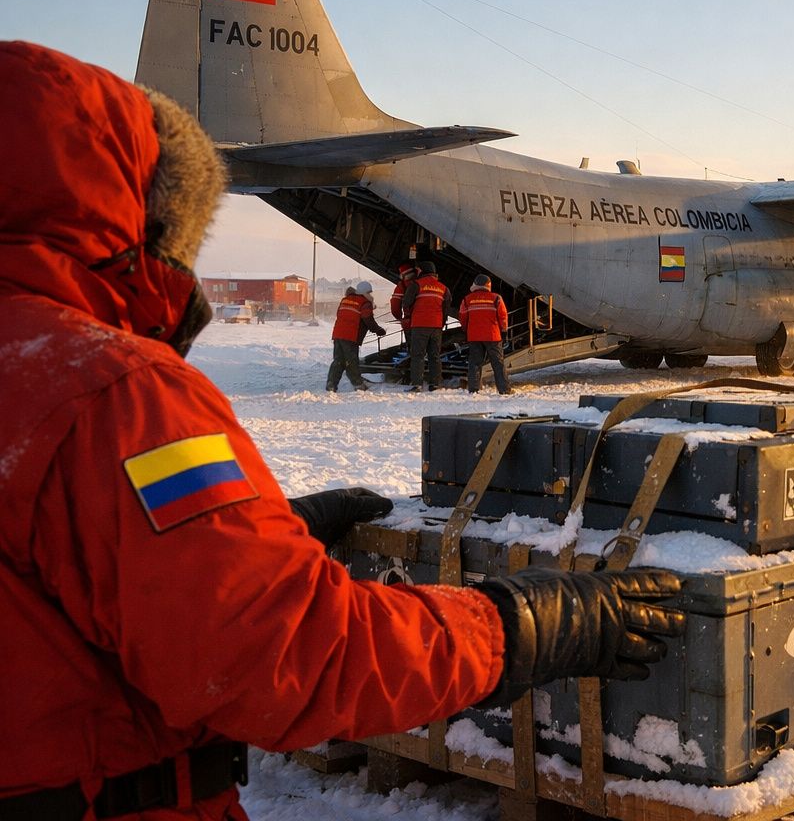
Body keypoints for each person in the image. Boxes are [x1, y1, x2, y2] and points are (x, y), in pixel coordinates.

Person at [0, 42, 684, 820]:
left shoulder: (43, 378)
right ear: (140, 207)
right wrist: (522, 629)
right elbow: (287, 659)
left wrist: (251, 539)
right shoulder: (113, 394)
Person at [326, 281, 386, 392]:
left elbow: (341, 315)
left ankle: (331, 384)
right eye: (369, 292)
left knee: (338, 361)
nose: (370, 295)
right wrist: (379, 330)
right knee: (351, 362)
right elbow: (368, 319)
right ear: (365, 292)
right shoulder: (364, 303)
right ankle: (358, 385)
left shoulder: (345, 300)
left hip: (338, 334)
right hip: (351, 336)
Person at [460, 274, 512, 394]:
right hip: (493, 336)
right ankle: (504, 389)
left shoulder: (467, 299)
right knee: (498, 363)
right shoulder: (496, 298)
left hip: (474, 336)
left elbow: (463, 317)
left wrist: (466, 330)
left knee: (475, 363)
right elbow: (503, 316)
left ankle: (474, 389)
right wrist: (504, 331)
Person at [402, 261, 449, 392]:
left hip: (419, 325)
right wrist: (441, 322)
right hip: (436, 327)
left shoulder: (416, 285)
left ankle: (417, 384)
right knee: (435, 356)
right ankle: (435, 384)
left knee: (418, 355)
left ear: (422, 271)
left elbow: (406, 303)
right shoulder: (443, 288)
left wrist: (409, 317)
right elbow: (446, 308)